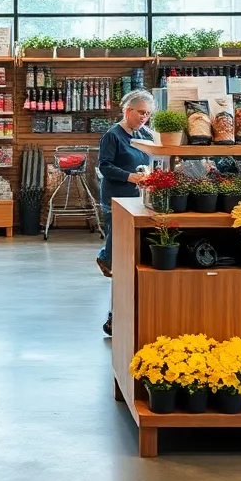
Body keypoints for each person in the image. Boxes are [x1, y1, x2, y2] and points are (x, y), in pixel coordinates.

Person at [96, 90, 156, 336]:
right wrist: (130, 176)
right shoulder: (112, 136)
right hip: (116, 198)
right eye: (141, 112)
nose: (144, 117)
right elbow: (104, 166)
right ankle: (106, 258)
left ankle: (108, 258)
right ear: (128, 111)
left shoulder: (143, 134)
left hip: (137, 200)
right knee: (120, 253)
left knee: (128, 254)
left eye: (148, 114)